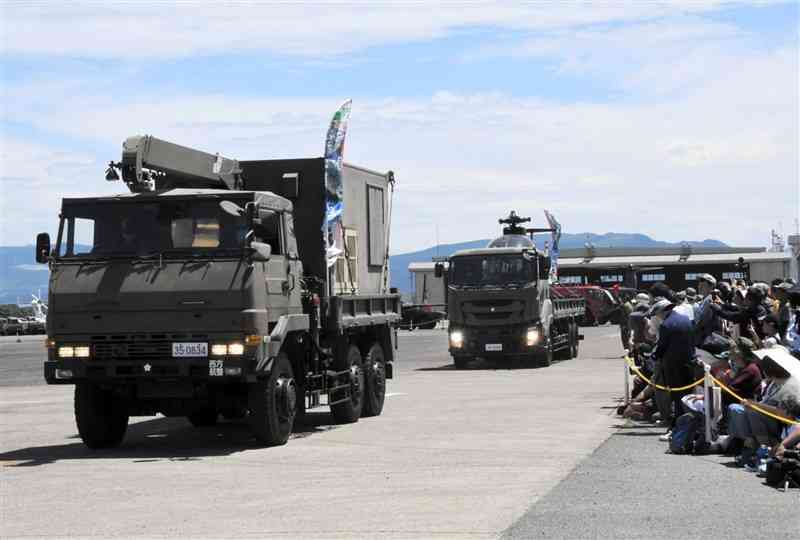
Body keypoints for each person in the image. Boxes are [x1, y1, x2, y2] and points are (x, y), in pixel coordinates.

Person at [649, 298, 695, 439]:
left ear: (664, 311)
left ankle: (677, 427)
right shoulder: (686, 319)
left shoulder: (666, 325)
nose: (658, 317)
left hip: (673, 365)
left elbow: (662, 347)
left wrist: (654, 356)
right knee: (687, 395)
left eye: (658, 314)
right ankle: (689, 425)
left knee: (676, 397)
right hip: (688, 362)